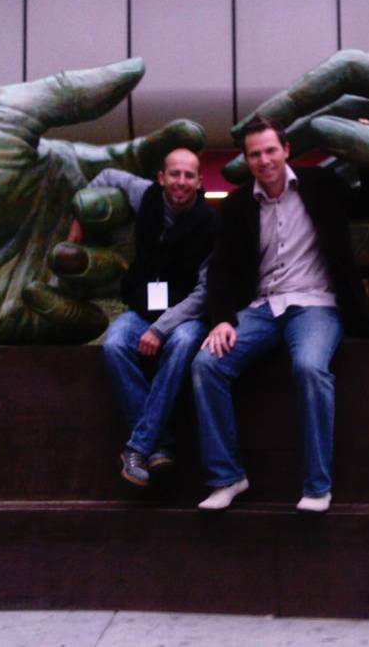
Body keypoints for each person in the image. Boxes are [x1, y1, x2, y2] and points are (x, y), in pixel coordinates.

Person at [191, 115, 369, 514]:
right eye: (254, 154)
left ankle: (317, 487)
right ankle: (227, 476)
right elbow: (221, 269)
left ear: (286, 150)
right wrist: (222, 318)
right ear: (247, 160)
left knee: (310, 367)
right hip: (261, 308)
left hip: (316, 305)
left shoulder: (322, 185)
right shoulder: (237, 204)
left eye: (270, 151)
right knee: (207, 365)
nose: (264, 160)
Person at [87, 147, 217, 487]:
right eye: (174, 173)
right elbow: (106, 176)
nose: (181, 181)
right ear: (161, 178)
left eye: (189, 175)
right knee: (114, 344)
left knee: (183, 343)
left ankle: (138, 446)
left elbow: (205, 292)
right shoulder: (145, 196)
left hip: (185, 317)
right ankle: (158, 444)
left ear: (199, 181)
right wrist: (78, 222)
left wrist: (161, 329)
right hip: (142, 312)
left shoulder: (210, 224)